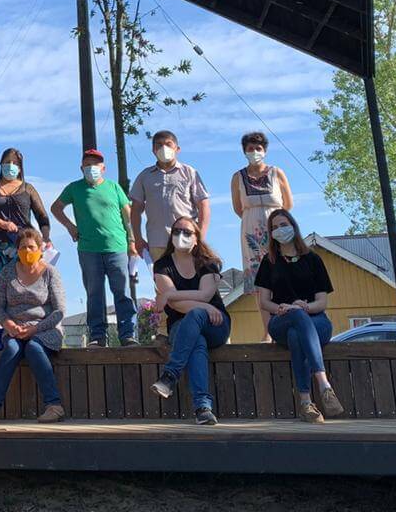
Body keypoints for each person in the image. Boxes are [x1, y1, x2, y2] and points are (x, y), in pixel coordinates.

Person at [254, 208, 344, 423]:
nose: (279, 230)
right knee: (294, 323)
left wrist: (304, 307)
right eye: (274, 228)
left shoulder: (313, 259)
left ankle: (306, 402)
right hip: (281, 319)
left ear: (293, 226)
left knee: (297, 335)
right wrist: (282, 309)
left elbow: (322, 301)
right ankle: (324, 385)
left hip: (316, 319)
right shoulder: (269, 261)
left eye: (283, 225)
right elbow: (263, 301)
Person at [51, 148, 139, 348]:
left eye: (96, 164)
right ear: (82, 168)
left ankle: (128, 334)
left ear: (104, 168)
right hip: (88, 248)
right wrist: (70, 226)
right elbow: (56, 207)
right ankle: (98, 336)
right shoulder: (74, 188)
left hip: (116, 247)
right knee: (94, 293)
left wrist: (132, 241)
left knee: (122, 292)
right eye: (88, 164)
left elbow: (129, 215)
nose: (92, 168)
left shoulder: (114, 187)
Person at [148, 216, 231, 424]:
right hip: (181, 326)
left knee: (195, 316)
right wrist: (205, 306)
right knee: (197, 342)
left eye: (187, 232)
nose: (181, 236)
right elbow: (179, 306)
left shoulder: (208, 263)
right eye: (176, 231)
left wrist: (169, 295)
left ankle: (169, 375)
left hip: (216, 323)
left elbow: (204, 294)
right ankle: (203, 408)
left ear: (196, 238)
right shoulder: (162, 265)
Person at [0, 228, 66, 423]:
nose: (27, 251)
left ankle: (54, 405)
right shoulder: (7, 272)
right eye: (22, 247)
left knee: (34, 348)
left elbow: (59, 311)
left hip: (45, 329)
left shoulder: (51, 273)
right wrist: (9, 325)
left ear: (40, 249)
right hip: (15, 329)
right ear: (17, 250)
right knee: (10, 349)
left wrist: (36, 329)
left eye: (31, 247)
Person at [0, 147, 51, 352]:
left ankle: (21, 329)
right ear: (0, 164)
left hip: (22, 246)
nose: (11, 166)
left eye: (15, 163)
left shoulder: (28, 188)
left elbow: (43, 216)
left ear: (20, 167)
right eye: (7, 162)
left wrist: (46, 236)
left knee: (21, 285)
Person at [230, 131, 293, 338]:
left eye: (258, 148)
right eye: (250, 148)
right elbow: (238, 207)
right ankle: (268, 331)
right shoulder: (238, 177)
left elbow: (288, 203)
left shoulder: (277, 173)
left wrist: (275, 222)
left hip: (276, 228)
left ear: (264, 151)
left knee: (282, 274)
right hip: (251, 231)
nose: (254, 152)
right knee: (259, 280)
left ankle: (286, 323)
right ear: (244, 151)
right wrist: (254, 219)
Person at [130, 130, 210, 262]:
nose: (164, 148)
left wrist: (200, 236)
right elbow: (135, 209)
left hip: (186, 238)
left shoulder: (189, 173)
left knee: (188, 280)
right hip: (157, 241)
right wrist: (137, 239)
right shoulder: (145, 176)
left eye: (168, 144)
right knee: (161, 281)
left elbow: (204, 205)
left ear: (177, 149)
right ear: (153, 150)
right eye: (159, 145)